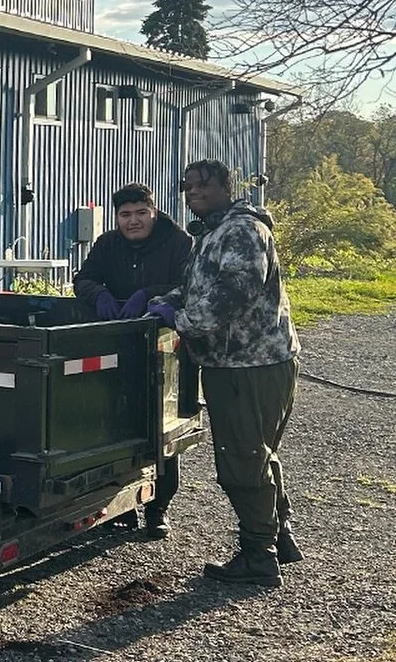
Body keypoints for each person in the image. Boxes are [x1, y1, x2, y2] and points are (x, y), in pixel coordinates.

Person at [148, 160, 302, 588]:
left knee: (242, 459)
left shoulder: (241, 231)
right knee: (258, 453)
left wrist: (180, 320)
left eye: (203, 185)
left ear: (225, 187)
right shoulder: (213, 233)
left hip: (249, 364)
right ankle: (279, 537)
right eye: (187, 185)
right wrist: (163, 302)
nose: (193, 192)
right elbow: (199, 287)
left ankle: (258, 555)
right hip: (240, 362)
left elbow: (233, 294)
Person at [74, 182, 193, 539]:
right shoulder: (107, 245)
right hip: (115, 346)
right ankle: (117, 509)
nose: (133, 221)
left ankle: (158, 509)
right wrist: (100, 294)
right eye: (125, 215)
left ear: (153, 212)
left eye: (141, 213)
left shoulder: (179, 243)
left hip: (164, 349)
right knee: (112, 426)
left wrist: (149, 294)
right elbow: (84, 278)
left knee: (160, 431)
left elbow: (189, 286)